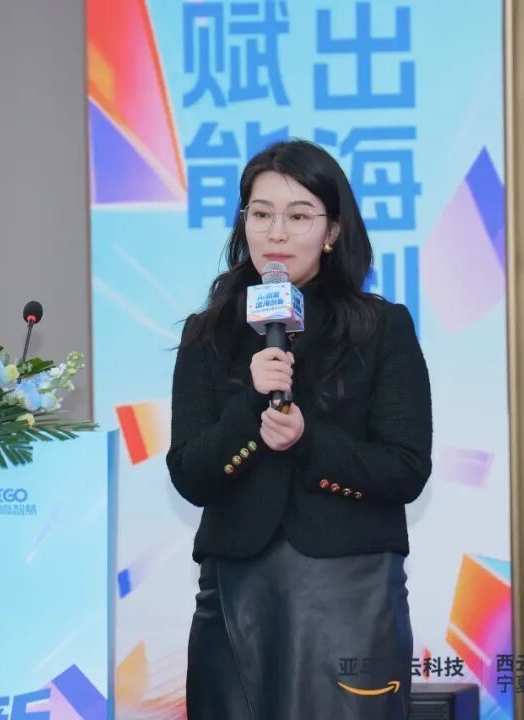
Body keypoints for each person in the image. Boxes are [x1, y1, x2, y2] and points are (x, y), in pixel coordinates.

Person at [167, 139, 433, 720]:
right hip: (235, 591)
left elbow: (406, 468)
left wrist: (307, 441)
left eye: (299, 216)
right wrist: (250, 408)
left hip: (351, 591)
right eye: (261, 214)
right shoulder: (207, 334)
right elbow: (189, 473)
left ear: (332, 230)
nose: (277, 234)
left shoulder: (381, 328)